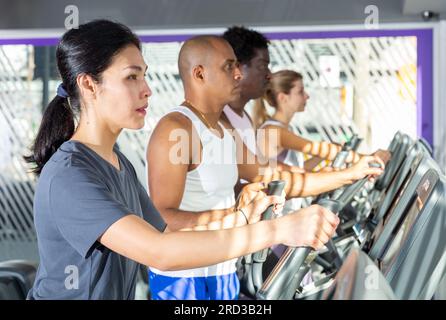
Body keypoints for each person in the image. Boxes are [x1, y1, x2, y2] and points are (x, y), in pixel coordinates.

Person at [24, 20, 339, 300]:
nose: (147, 90)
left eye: (144, 77)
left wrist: (241, 216)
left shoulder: (117, 162)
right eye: (131, 78)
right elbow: (158, 252)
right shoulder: (70, 176)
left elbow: (163, 231)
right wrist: (278, 231)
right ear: (89, 85)